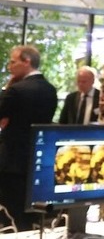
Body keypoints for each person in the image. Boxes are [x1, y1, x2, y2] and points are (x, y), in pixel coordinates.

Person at [0, 45, 58, 231]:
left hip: (12, 160)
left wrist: (8, 88)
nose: (10, 66)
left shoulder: (16, 90)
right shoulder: (50, 90)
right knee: (33, 210)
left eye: (13, 62)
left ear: (27, 62)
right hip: (40, 160)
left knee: (13, 212)